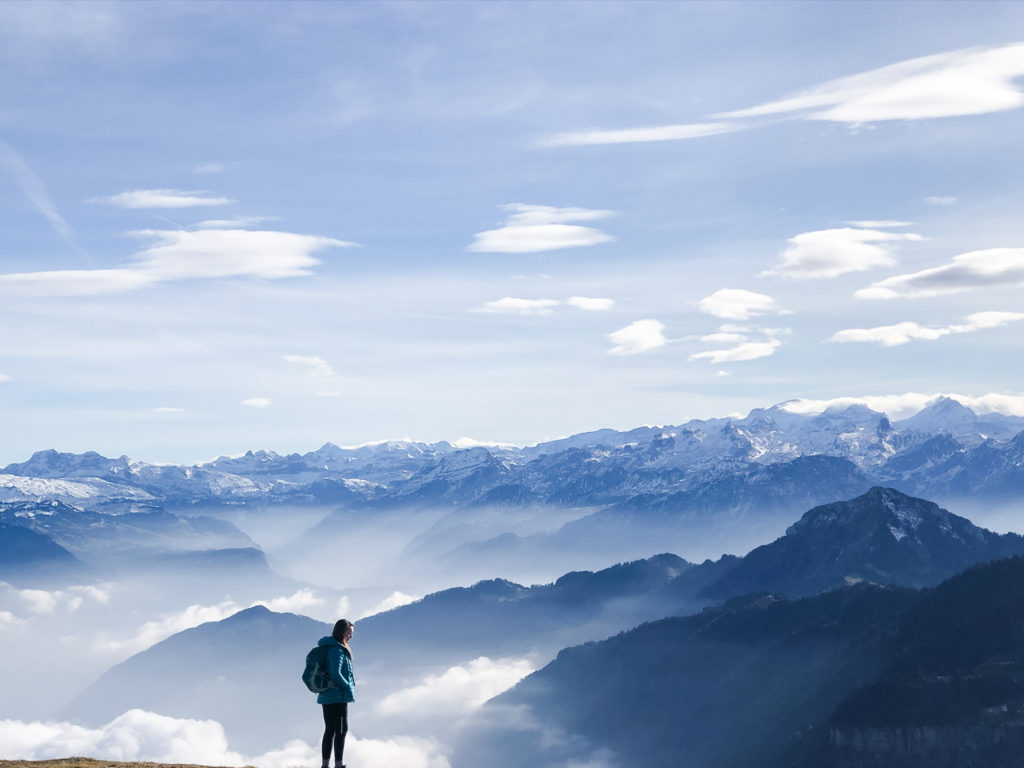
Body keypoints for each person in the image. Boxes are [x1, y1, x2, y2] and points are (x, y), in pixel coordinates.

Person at [317, 619, 355, 768]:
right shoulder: (337, 650)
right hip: (337, 696)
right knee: (340, 730)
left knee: (330, 730)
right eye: (350, 632)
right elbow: (335, 673)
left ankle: (326, 765)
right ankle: (338, 765)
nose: (351, 636)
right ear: (343, 632)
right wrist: (347, 687)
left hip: (328, 696)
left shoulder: (332, 647)